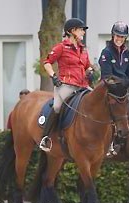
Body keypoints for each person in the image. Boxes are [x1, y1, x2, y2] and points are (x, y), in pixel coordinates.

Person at [39, 18, 91, 152]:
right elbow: (47, 62)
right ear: (72, 31)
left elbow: (87, 66)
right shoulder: (61, 47)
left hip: (83, 85)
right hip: (66, 85)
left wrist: (90, 71)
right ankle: (46, 138)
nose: (83, 33)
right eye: (81, 30)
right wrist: (53, 76)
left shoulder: (83, 49)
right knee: (57, 107)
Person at [98, 21, 129, 157]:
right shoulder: (106, 52)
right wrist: (123, 85)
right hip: (110, 88)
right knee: (115, 112)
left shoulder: (126, 52)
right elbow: (107, 76)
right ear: (112, 36)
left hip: (123, 89)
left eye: (122, 37)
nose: (119, 39)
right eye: (117, 36)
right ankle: (111, 143)